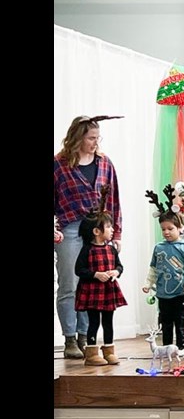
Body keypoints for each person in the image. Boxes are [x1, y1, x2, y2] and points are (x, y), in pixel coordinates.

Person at [54, 115, 124, 359]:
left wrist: (116, 233)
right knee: (70, 285)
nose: (96, 142)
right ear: (77, 138)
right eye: (91, 138)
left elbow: (114, 200)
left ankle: (87, 338)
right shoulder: (59, 164)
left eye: (98, 138)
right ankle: (70, 338)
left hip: (99, 229)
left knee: (92, 285)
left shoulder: (105, 163)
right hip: (70, 228)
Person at [75, 185, 127, 366]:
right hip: (92, 292)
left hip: (108, 291)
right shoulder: (87, 250)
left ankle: (109, 350)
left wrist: (116, 272)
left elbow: (120, 266)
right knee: (93, 322)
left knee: (108, 322)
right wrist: (96, 274)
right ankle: (91, 352)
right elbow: (79, 270)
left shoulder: (111, 249)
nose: (112, 229)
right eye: (108, 226)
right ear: (96, 231)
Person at [142, 186, 184, 352]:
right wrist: (148, 283)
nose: (166, 232)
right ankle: (166, 347)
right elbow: (153, 268)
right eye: (163, 229)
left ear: (179, 228)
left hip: (180, 292)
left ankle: (181, 348)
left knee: (180, 322)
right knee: (165, 323)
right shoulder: (159, 248)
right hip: (163, 293)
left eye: (170, 229)